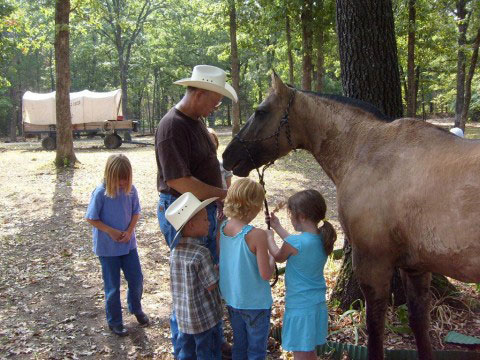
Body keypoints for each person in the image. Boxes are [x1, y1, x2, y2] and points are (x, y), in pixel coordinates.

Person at [155, 64, 237, 356]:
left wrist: (217, 201)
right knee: (189, 291)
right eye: (215, 100)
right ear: (199, 93)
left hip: (203, 211)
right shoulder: (172, 126)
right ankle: (186, 350)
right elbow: (179, 180)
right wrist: (223, 194)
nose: (216, 106)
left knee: (208, 278)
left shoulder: (196, 121)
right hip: (185, 214)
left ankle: (212, 341)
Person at [266, 189, 337, 360]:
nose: (290, 218)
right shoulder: (322, 238)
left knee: (301, 354)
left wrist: (269, 238)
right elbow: (296, 244)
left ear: (302, 216)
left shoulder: (295, 243)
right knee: (308, 351)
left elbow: (278, 256)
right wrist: (277, 227)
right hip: (317, 306)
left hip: (300, 308)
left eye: (291, 215)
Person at [85, 154, 149, 336]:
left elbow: (136, 212)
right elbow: (91, 218)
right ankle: (115, 321)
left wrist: (129, 230)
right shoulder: (100, 193)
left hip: (128, 246)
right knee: (113, 286)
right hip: (108, 249)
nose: (122, 182)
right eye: (119, 179)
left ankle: (135, 308)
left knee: (136, 279)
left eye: (125, 178)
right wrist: (110, 231)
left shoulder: (131, 191)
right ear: (110, 175)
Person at [219, 178, 275, 359]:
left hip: (233, 301)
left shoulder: (222, 228)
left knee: (240, 347)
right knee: (256, 352)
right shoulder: (257, 235)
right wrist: (273, 255)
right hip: (256, 304)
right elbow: (266, 274)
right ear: (254, 206)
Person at [165, 192, 223, 359]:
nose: (209, 222)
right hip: (204, 318)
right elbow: (211, 284)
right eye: (205, 219)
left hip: (184, 317)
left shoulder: (174, 252)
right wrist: (217, 270)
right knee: (207, 351)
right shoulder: (201, 253)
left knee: (187, 350)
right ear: (190, 225)